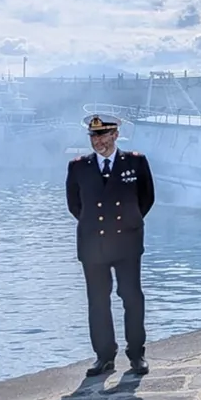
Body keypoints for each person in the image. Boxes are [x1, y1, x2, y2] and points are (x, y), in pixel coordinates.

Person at [66, 114, 155, 377]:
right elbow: (75, 205)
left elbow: (146, 199)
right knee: (97, 301)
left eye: (103, 135)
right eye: (93, 136)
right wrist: (95, 226)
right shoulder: (78, 166)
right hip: (93, 244)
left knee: (132, 297)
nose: (97, 141)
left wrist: (129, 222)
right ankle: (104, 356)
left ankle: (136, 354)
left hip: (126, 241)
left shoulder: (136, 162)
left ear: (115, 135)